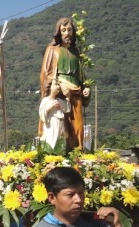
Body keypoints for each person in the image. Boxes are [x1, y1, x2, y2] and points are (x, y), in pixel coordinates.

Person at [39, 17, 91, 151]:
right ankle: (61, 154)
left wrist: (86, 88)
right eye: (63, 30)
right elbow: (46, 73)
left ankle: (77, 156)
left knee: (78, 126)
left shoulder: (76, 52)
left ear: (73, 32)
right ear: (59, 32)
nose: (67, 33)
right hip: (60, 94)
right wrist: (60, 84)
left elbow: (82, 77)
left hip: (76, 93)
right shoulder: (52, 49)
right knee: (62, 126)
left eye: (69, 30)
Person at [39, 79, 71, 149]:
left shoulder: (59, 101)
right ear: (50, 87)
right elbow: (42, 113)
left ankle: (59, 155)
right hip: (51, 124)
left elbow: (66, 108)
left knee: (59, 141)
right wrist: (51, 107)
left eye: (58, 85)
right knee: (51, 139)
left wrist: (68, 96)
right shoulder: (46, 100)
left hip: (60, 124)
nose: (58, 87)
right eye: (56, 84)